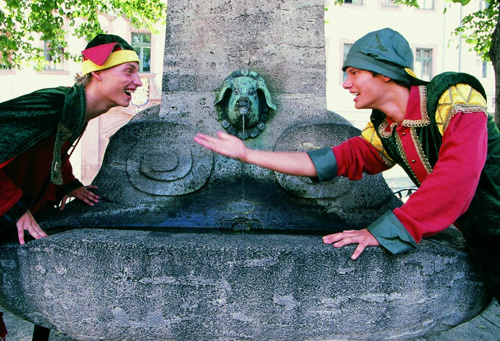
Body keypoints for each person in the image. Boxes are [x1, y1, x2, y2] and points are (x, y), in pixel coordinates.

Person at [195, 28, 500, 302]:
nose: (346, 83)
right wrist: (247, 154)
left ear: (385, 74)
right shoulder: (387, 129)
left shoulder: (453, 96)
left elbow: (457, 177)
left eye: (354, 73)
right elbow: (330, 160)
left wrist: (388, 231)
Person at [0, 33, 142, 245]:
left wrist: (68, 184)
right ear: (97, 71)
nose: (138, 82)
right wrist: (14, 207)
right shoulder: (52, 104)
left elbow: (51, 149)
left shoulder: (75, 110)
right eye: (128, 71)